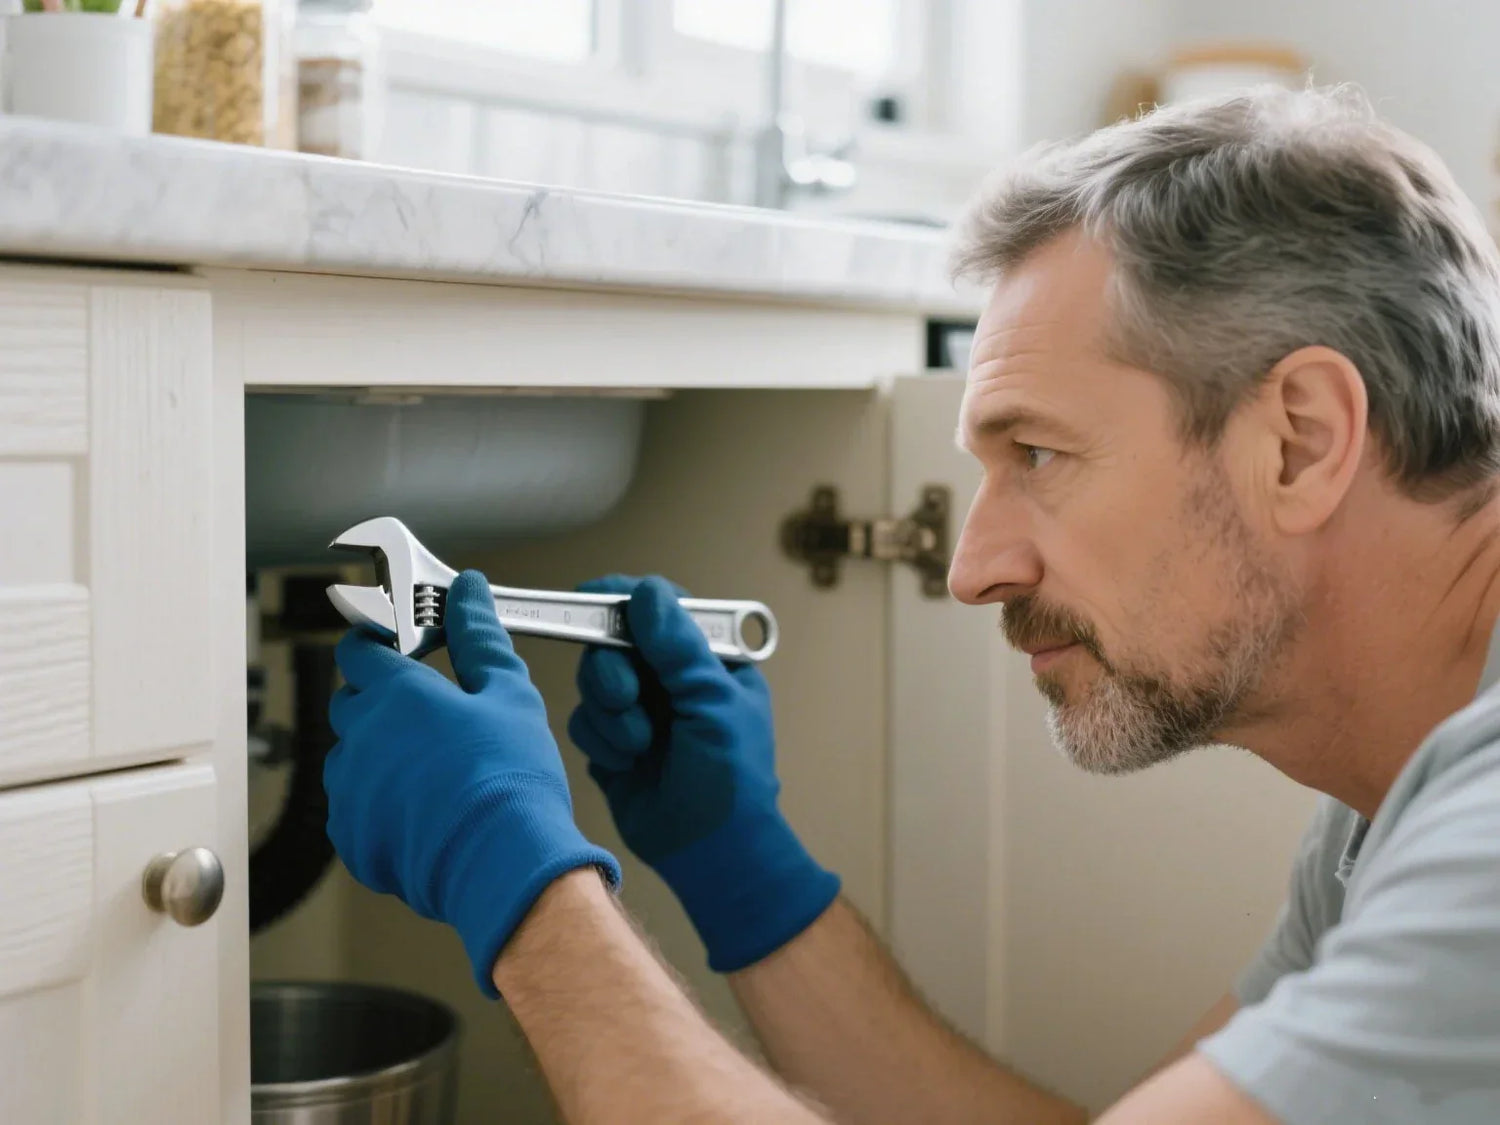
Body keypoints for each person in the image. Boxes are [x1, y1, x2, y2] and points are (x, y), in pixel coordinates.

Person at [322, 84, 1500, 1124]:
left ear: (1298, 441)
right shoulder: (1378, 816)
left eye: (1037, 453)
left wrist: (514, 875)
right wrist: (748, 876)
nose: (973, 567)